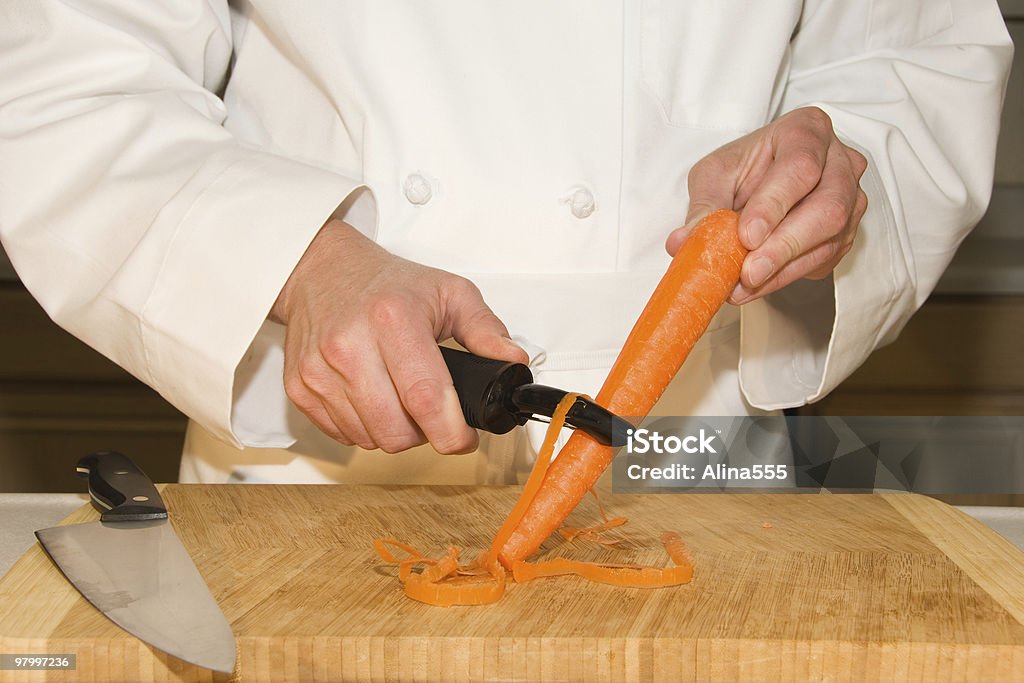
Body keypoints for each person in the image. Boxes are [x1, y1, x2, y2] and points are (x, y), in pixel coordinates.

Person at [0, 1, 1012, 485]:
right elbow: (62, 86)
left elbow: (915, 56)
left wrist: (839, 162)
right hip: (315, 477)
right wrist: (306, 261)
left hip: (697, 465)